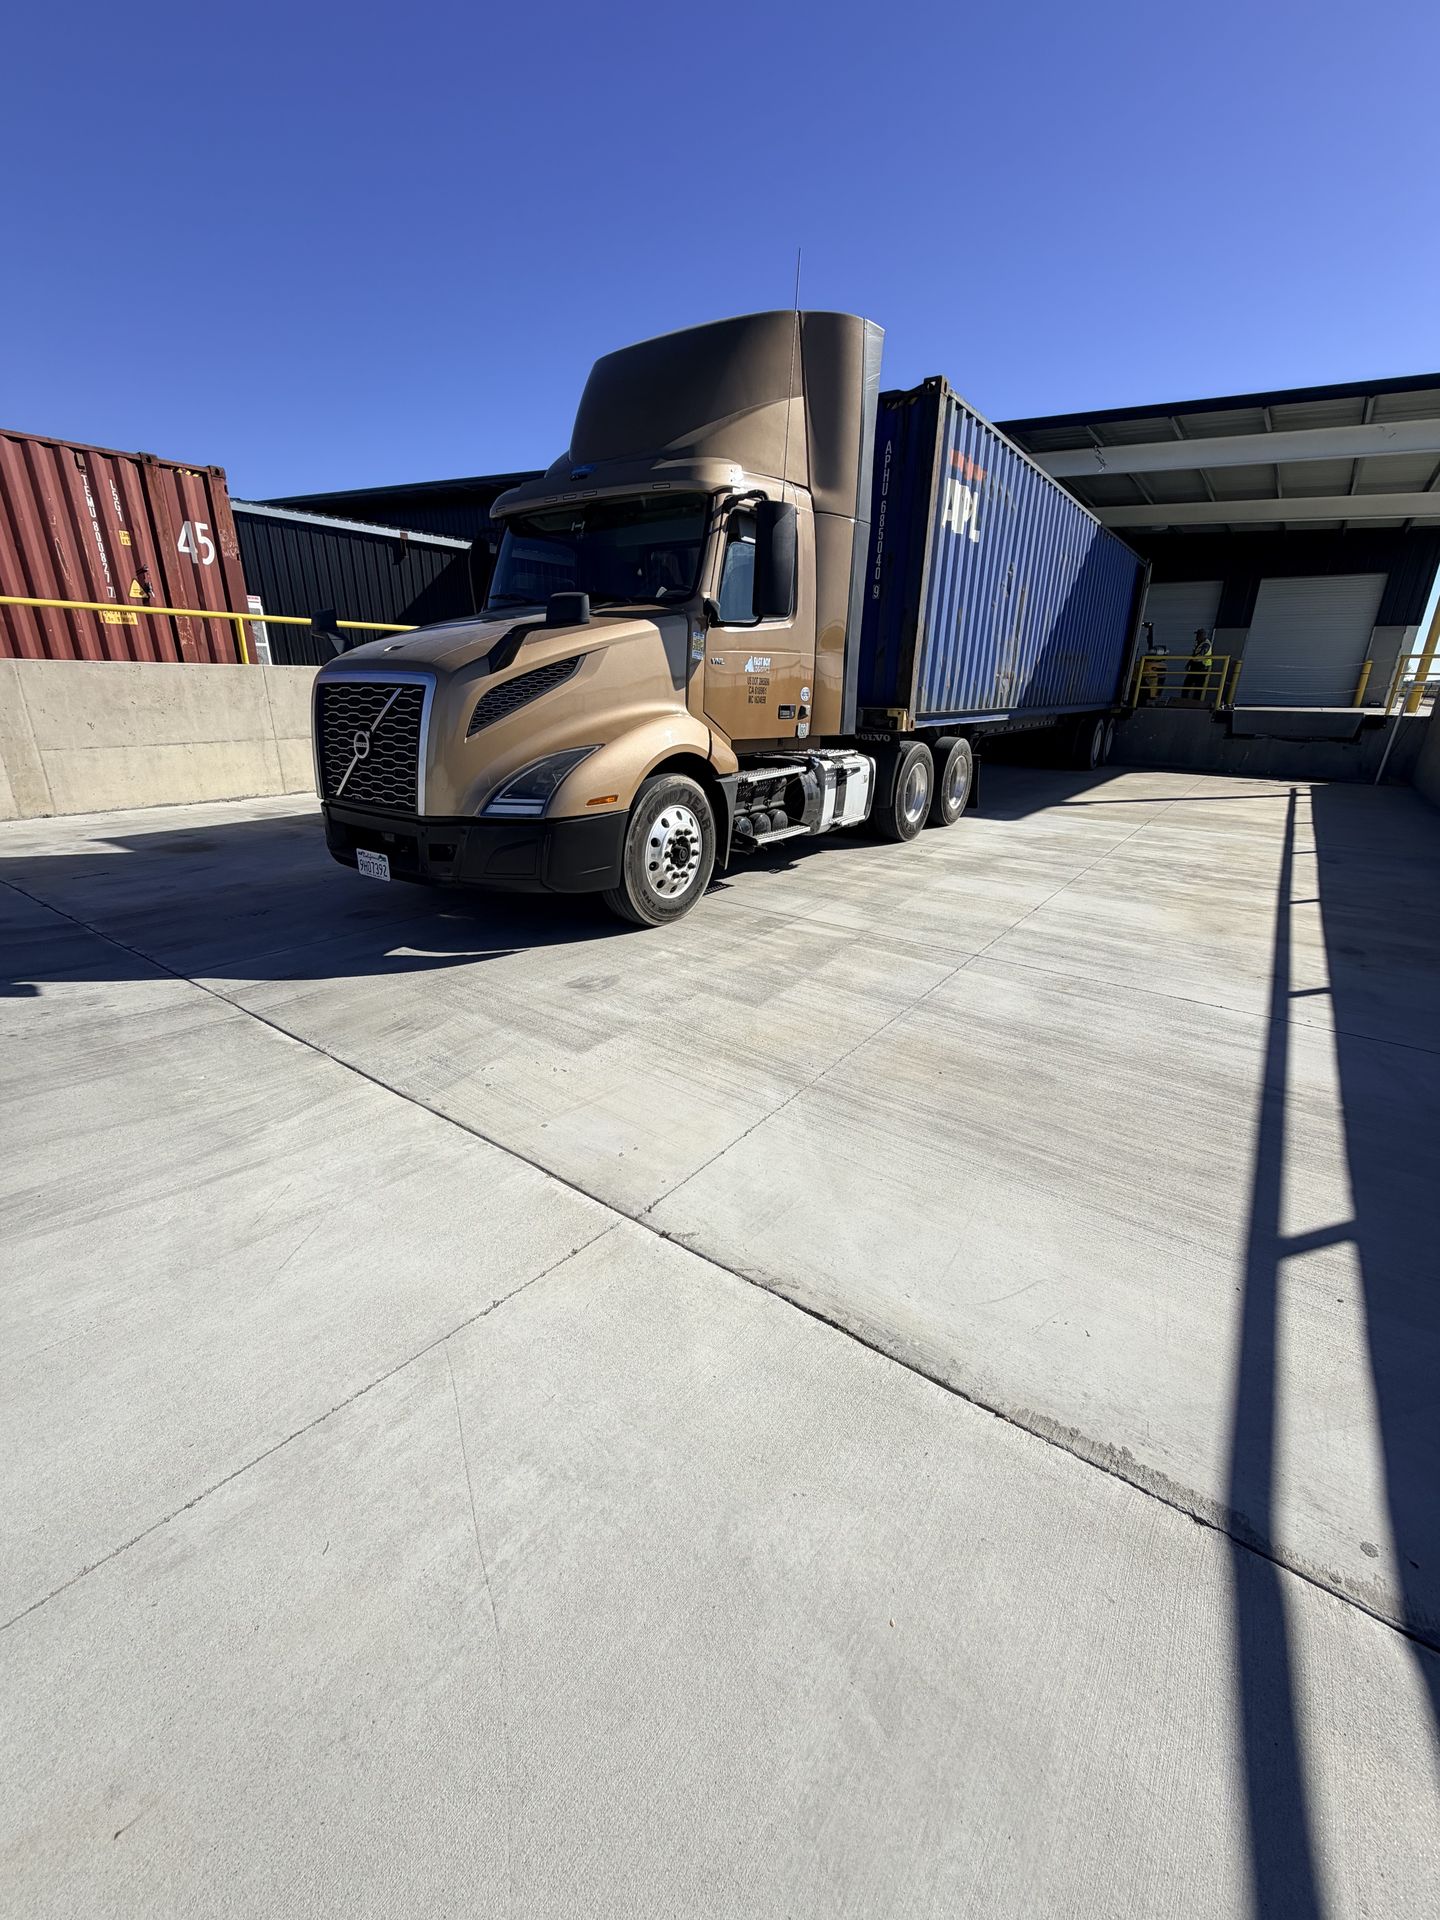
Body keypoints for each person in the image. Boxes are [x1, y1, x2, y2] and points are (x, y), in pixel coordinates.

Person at [1184, 628, 1214, 700]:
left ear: (1202, 635)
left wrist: (1194, 658)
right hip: (1195, 665)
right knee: (1187, 683)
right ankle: (1184, 699)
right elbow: (1194, 655)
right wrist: (1189, 663)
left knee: (1198, 685)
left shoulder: (1206, 644)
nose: (1196, 637)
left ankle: (1196, 701)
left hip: (1202, 667)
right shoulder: (1198, 643)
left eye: (1198, 635)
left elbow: (1201, 654)